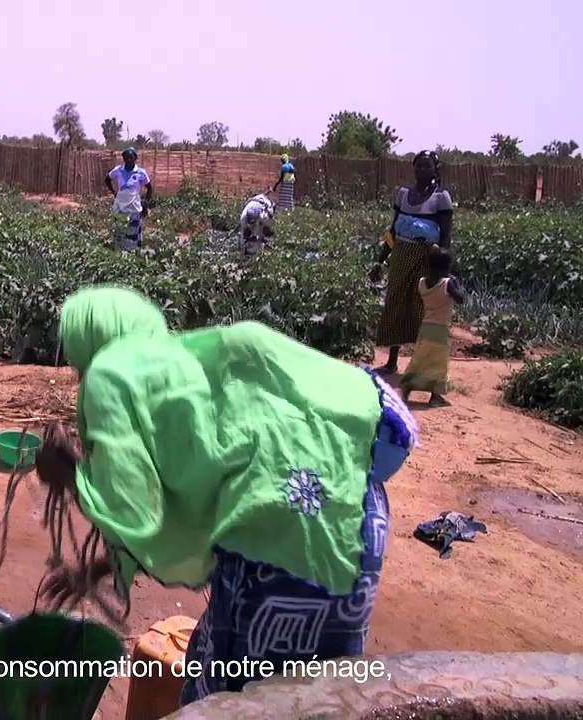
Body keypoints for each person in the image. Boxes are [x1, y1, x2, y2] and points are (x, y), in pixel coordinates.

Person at [35, 286, 417, 706]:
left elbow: (137, 513)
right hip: (353, 528)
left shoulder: (113, 374)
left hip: (280, 550)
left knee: (236, 697)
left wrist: (69, 474)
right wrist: (100, 568)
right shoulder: (195, 366)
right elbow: (186, 502)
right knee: (319, 694)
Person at [371, 151, 454, 374]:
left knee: (420, 308)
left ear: (436, 169)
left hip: (427, 257)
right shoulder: (403, 195)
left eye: (427, 167)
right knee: (396, 302)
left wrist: (442, 269)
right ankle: (392, 361)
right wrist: (380, 260)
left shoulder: (441, 198)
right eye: (418, 166)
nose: (421, 171)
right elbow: (393, 230)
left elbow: (445, 236)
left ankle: (419, 366)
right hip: (401, 254)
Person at [399, 249, 466, 406]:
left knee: (420, 359)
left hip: (425, 328)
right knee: (438, 364)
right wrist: (455, 282)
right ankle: (435, 396)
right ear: (446, 267)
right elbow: (460, 299)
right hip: (440, 329)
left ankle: (409, 385)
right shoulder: (447, 284)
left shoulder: (422, 282)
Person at [104, 148, 154, 250]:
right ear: (124, 159)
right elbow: (107, 180)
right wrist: (115, 193)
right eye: (126, 158)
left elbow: (149, 188)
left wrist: (146, 204)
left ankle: (133, 252)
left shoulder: (140, 172)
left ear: (135, 159)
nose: (129, 160)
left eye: (131, 158)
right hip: (120, 206)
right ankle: (120, 252)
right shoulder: (118, 170)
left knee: (133, 230)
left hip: (134, 206)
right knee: (120, 229)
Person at [239, 191, 276, 256]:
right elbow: (242, 232)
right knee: (250, 235)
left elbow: (263, 226)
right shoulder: (243, 217)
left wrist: (260, 237)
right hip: (255, 203)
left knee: (261, 234)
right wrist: (242, 247)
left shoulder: (264, 215)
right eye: (250, 223)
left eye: (253, 222)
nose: (252, 225)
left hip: (264, 205)